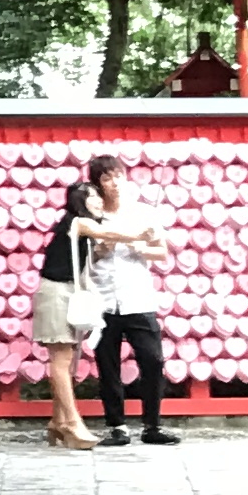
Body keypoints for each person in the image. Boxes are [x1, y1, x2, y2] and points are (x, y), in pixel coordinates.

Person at [87, 160, 180, 446]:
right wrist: (103, 248)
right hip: (103, 299)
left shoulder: (143, 212)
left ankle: (152, 425)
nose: (114, 183)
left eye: (118, 176)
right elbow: (84, 258)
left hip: (137, 298)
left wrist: (140, 246)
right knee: (108, 365)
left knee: (152, 361)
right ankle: (117, 426)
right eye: (106, 179)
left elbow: (162, 252)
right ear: (97, 184)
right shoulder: (92, 216)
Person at [29, 165, 122, 450]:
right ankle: (71, 423)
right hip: (56, 292)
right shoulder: (75, 222)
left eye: (98, 197)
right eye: (92, 197)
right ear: (79, 201)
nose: (97, 201)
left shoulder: (81, 229)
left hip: (68, 293)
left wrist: (100, 250)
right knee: (59, 360)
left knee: (67, 360)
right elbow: (109, 232)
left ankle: (58, 422)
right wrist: (142, 235)